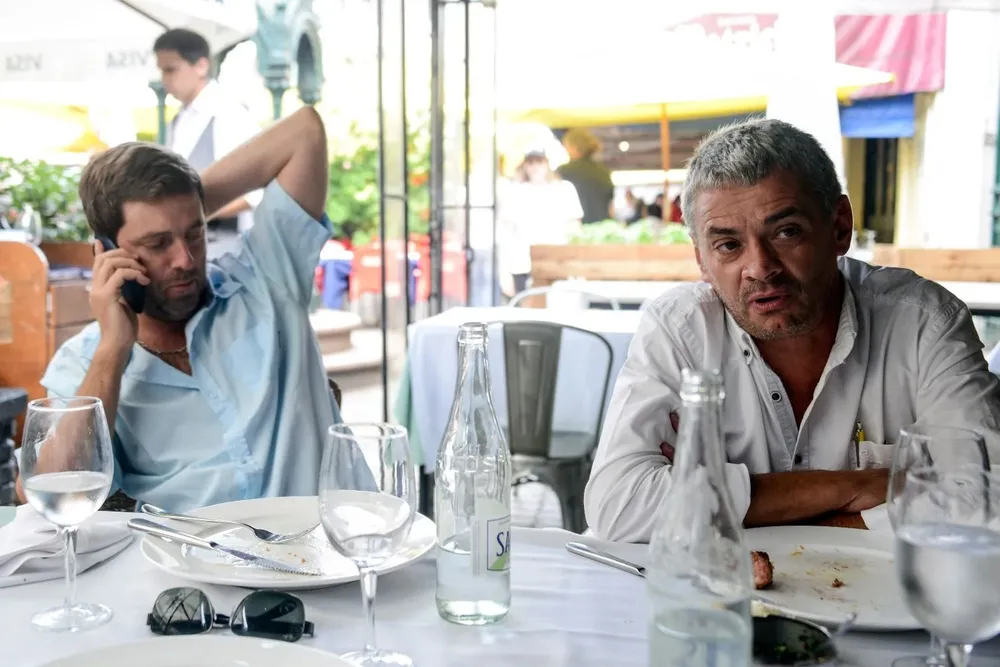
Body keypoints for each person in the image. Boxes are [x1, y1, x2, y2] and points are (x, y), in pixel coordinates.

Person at [585, 118, 1000, 543]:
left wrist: (717, 502)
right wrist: (857, 486)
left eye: (786, 232)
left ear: (839, 227)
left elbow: (988, 497)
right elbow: (618, 504)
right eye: (728, 245)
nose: (760, 268)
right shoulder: (680, 330)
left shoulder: (922, 322)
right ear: (701, 261)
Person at [16, 108, 370, 512]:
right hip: (194, 552)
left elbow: (303, 131)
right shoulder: (85, 362)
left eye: (195, 234)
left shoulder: (267, 278)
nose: (185, 259)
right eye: (158, 243)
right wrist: (113, 351)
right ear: (107, 252)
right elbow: (48, 495)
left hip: (332, 541)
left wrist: (191, 202)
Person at [154, 28, 263, 258]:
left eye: (171, 70)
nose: (164, 80)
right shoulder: (178, 120)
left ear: (201, 66)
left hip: (226, 251)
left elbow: (254, 193)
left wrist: (194, 213)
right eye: (162, 71)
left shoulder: (228, 114)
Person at [498, 150, 583, 295]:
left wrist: (577, 267)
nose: (535, 166)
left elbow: (575, 228)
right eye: (530, 162)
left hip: (557, 262)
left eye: (539, 162)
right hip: (522, 264)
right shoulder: (516, 192)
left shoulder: (563, 189)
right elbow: (506, 234)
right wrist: (504, 272)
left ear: (547, 164)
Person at [556, 128, 614, 224]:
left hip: (576, 227)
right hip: (602, 226)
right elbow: (610, 207)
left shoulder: (563, 171)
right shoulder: (603, 171)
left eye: (566, 146)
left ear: (574, 147)